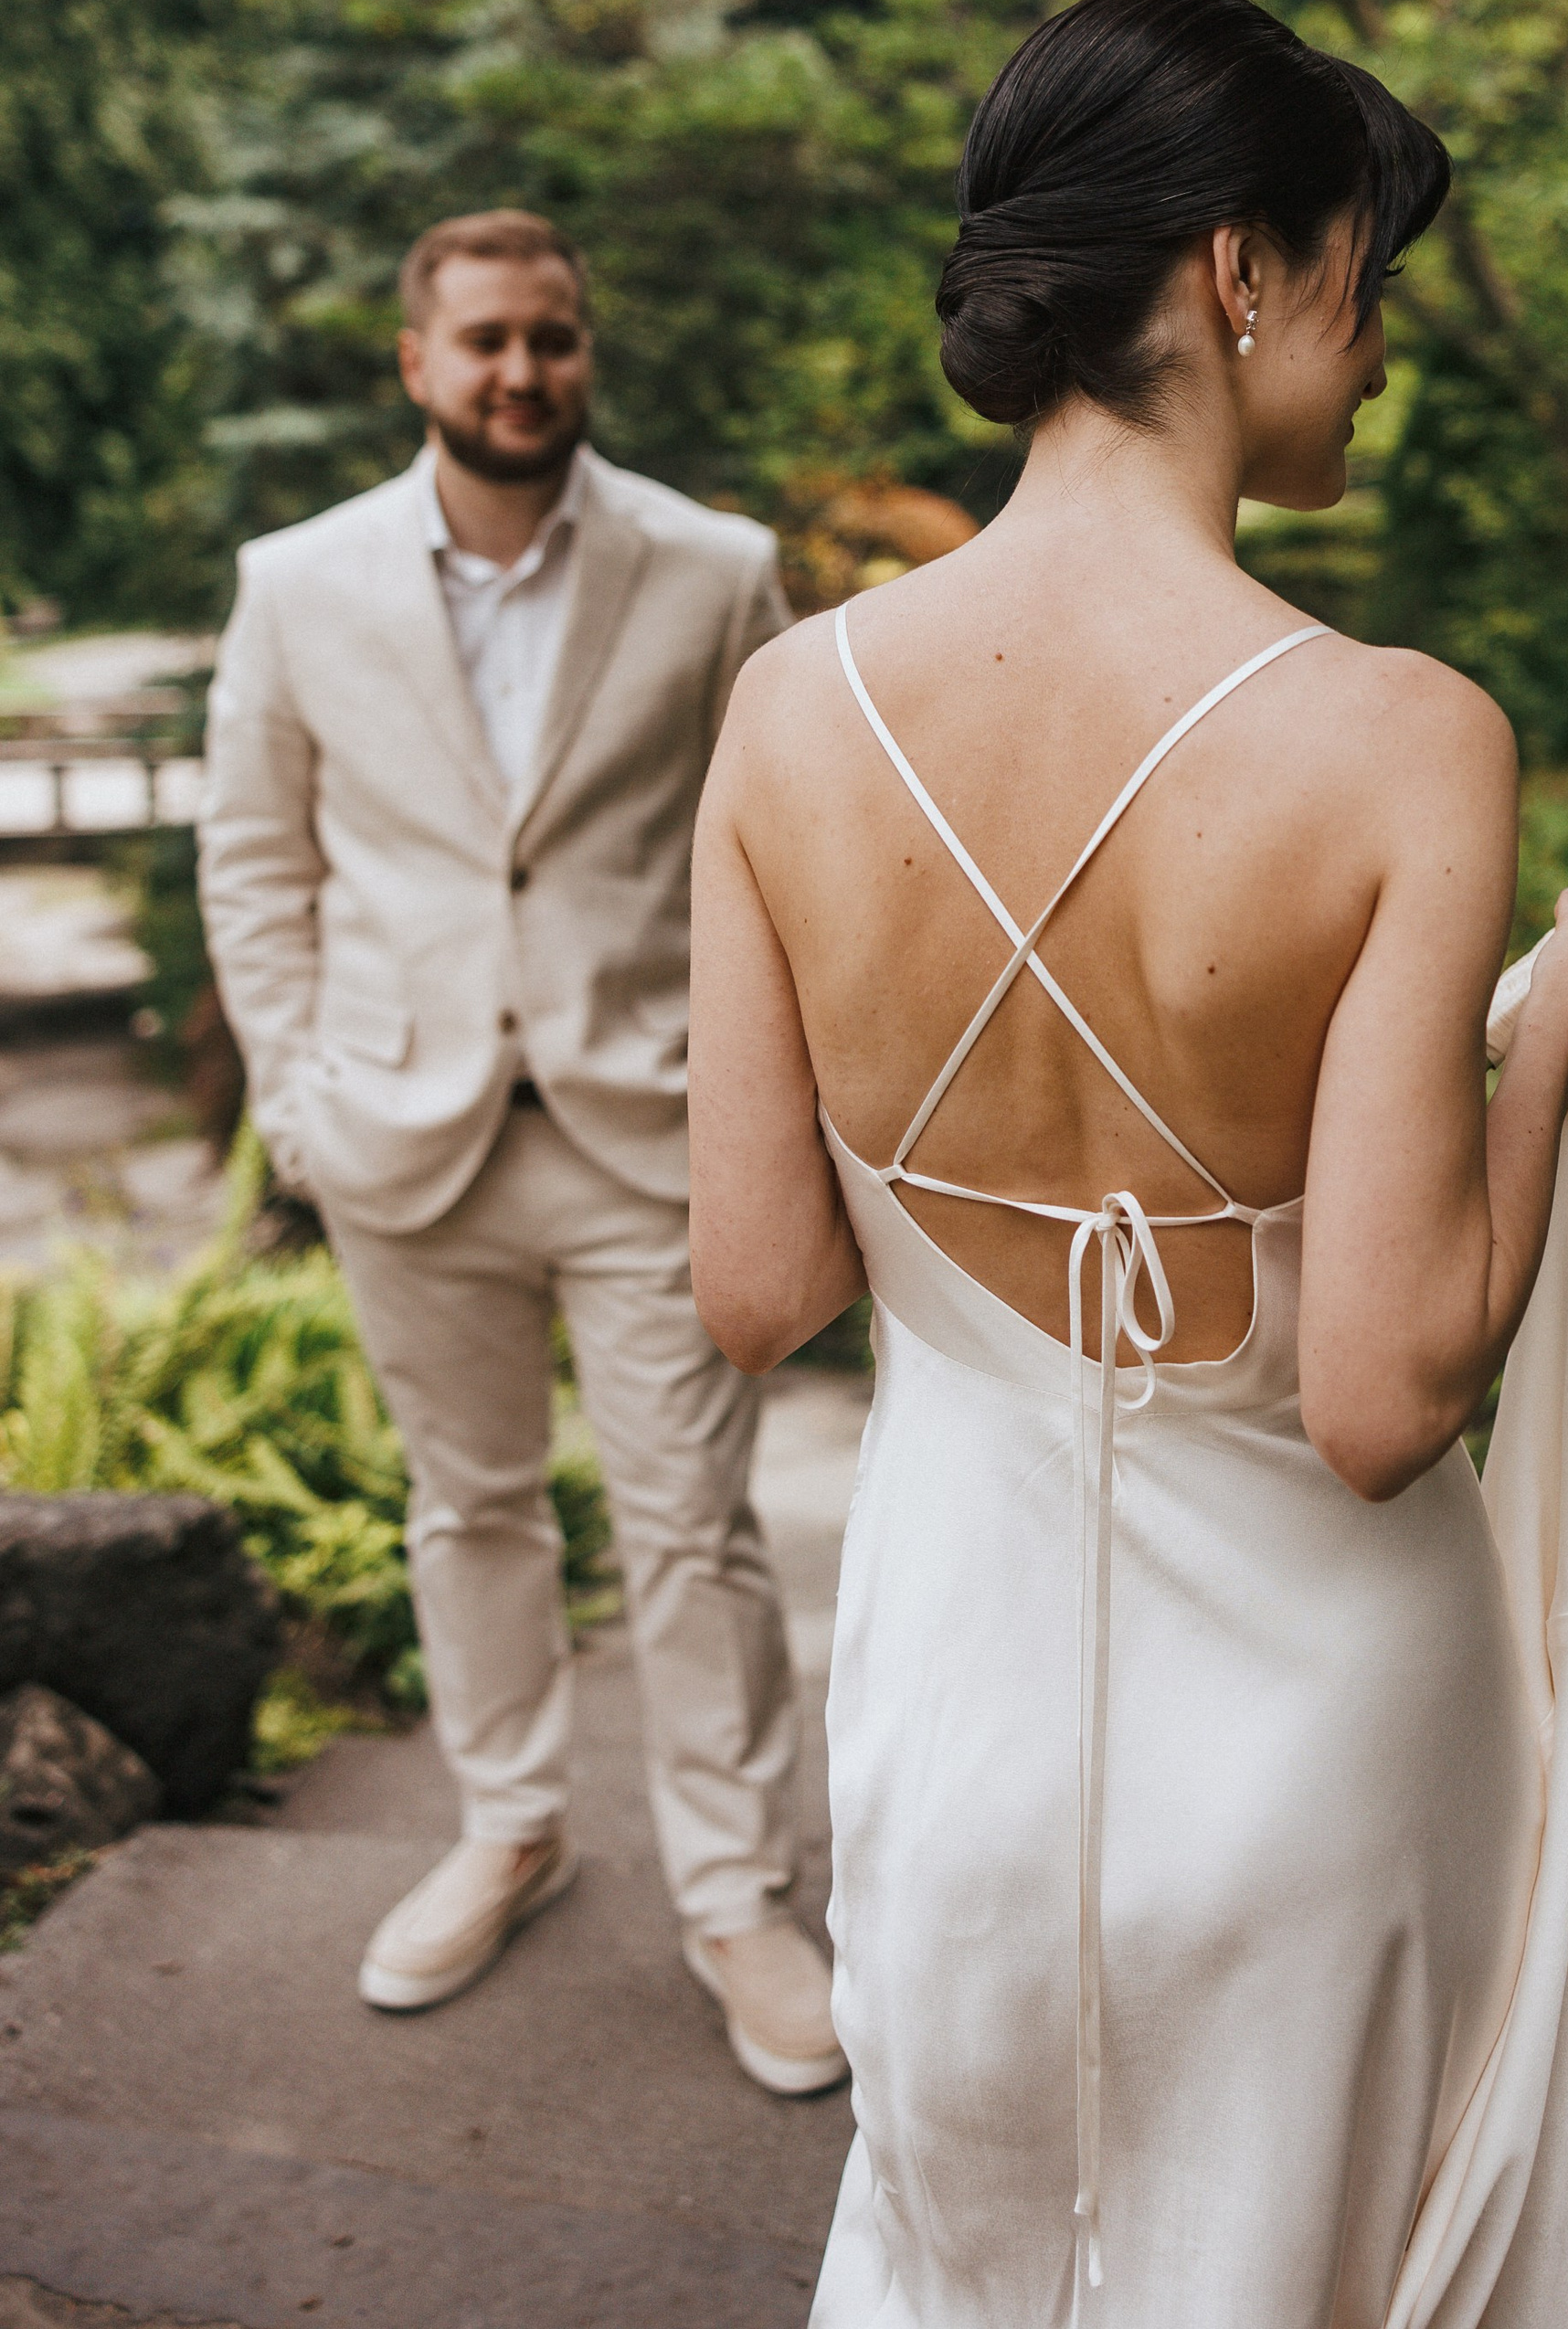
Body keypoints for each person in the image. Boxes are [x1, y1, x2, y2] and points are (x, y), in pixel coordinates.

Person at [690, 0, 1568, 2324]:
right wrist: (1558, 1049)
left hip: (951, 1717)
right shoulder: (1402, 739)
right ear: (1234, 271)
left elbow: (756, 1285)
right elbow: (1382, 1403)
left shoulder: (787, 707)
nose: (1379, 341)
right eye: (1362, 274)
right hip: (1317, 1744)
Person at [198, 209, 842, 2097]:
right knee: (465, 1503)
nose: (518, 371)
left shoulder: (715, 568)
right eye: (482, 338)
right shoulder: (297, 582)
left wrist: (770, 1102)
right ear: (416, 359)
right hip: (402, 1132)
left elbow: (787, 835)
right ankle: (507, 1823)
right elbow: (254, 858)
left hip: (649, 1128)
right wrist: (296, 1097)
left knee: (692, 1528)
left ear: (584, 350)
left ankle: (739, 1898)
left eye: (549, 338)